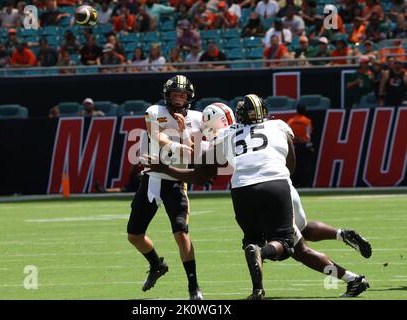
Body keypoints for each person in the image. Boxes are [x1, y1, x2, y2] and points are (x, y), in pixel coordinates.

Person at [145, 98, 372, 298]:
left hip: (244, 190)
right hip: (280, 185)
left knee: (294, 248)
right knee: (296, 234)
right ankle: (340, 237)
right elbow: (290, 166)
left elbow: (201, 174)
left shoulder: (225, 134)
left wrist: (164, 166)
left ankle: (352, 279)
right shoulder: (278, 125)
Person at [127, 75, 203, 300]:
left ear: (189, 97)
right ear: (167, 95)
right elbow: (158, 137)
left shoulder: (198, 119)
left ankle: (194, 287)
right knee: (134, 235)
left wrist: (183, 133)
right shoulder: (154, 112)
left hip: (176, 182)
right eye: (175, 94)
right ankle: (156, 265)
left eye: (182, 95)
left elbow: (195, 152)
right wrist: (180, 140)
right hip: (151, 179)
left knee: (181, 233)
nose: (179, 99)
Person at [287, 104, 314, 187]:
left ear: (297, 111)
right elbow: (309, 133)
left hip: (294, 147)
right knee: (305, 166)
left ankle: (295, 184)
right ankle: (305, 184)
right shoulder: (307, 121)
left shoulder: (290, 121)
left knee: (294, 166)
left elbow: (288, 134)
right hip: (304, 147)